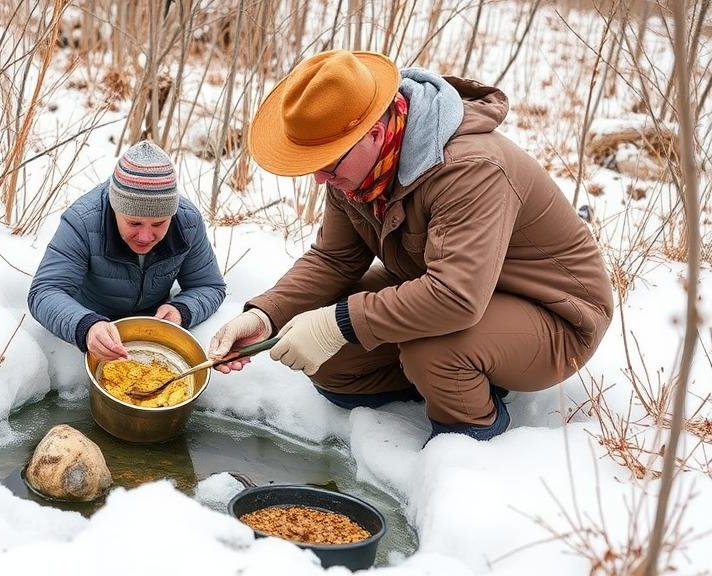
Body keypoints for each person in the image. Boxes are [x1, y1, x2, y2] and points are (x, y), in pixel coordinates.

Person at [208, 50, 614, 442]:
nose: (319, 179)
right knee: (333, 360)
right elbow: (334, 259)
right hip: (451, 287)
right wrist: (266, 314)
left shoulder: (470, 167)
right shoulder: (355, 169)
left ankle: (470, 432)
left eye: (328, 164)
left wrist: (341, 323)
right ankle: (452, 375)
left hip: (554, 317)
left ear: (375, 133)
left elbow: (456, 297)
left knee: (432, 349)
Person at [29, 140, 226, 360]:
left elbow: (209, 285)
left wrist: (182, 310)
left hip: (150, 331)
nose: (145, 236)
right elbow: (44, 292)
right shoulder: (83, 222)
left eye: (159, 223)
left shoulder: (187, 221)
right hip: (91, 322)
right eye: (134, 223)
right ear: (115, 208)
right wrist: (86, 326)